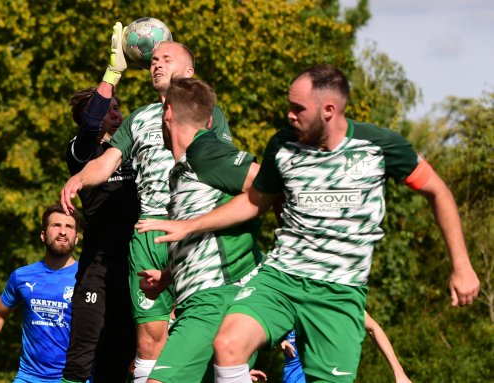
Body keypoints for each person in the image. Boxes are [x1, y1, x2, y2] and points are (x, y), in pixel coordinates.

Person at [135, 64, 480, 382]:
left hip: (336, 291)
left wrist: (461, 265)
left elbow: (438, 191)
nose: (289, 114)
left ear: (329, 110)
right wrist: (188, 228)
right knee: (228, 343)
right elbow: (255, 201)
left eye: (298, 108)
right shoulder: (283, 145)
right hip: (280, 280)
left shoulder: (379, 145)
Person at [60, 23, 232, 383]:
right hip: (147, 234)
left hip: (193, 230)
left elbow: (226, 168)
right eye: (153, 59)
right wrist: (79, 178)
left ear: (188, 71)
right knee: (147, 341)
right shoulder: (138, 118)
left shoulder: (210, 114)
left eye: (166, 59)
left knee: (206, 335)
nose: (156, 64)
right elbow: (104, 162)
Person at [137, 77, 263, 383]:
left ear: (166, 112)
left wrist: (188, 225)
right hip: (203, 300)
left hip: (216, 301)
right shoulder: (187, 166)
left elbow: (266, 185)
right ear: (209, 118)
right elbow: (212, 232)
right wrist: (168, 276)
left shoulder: (205, 151)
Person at [61, 86, 139, 383]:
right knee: (82, 356)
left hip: (135, 262)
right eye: (109, 109)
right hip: (98, 264)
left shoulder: (131, 153)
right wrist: (112, 75)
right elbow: (91, 123)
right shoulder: (82, 150)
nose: (117, 114)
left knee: (121, 359)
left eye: (119, 108)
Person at [0, 203, 80, 383]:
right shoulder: (22, 276)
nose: (62, 231)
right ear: (43, 236)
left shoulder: (88, 279)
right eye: (56, 225)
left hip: (73, 378)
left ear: (76, 238)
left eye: (69, 227)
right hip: (29, 377)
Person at [280, 312, 411, 383]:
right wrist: (279, 339)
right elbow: (265, 325)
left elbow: (373, 328)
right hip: (295, 377)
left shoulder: (337, 301)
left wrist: (399, 373)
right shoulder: (291, 298)